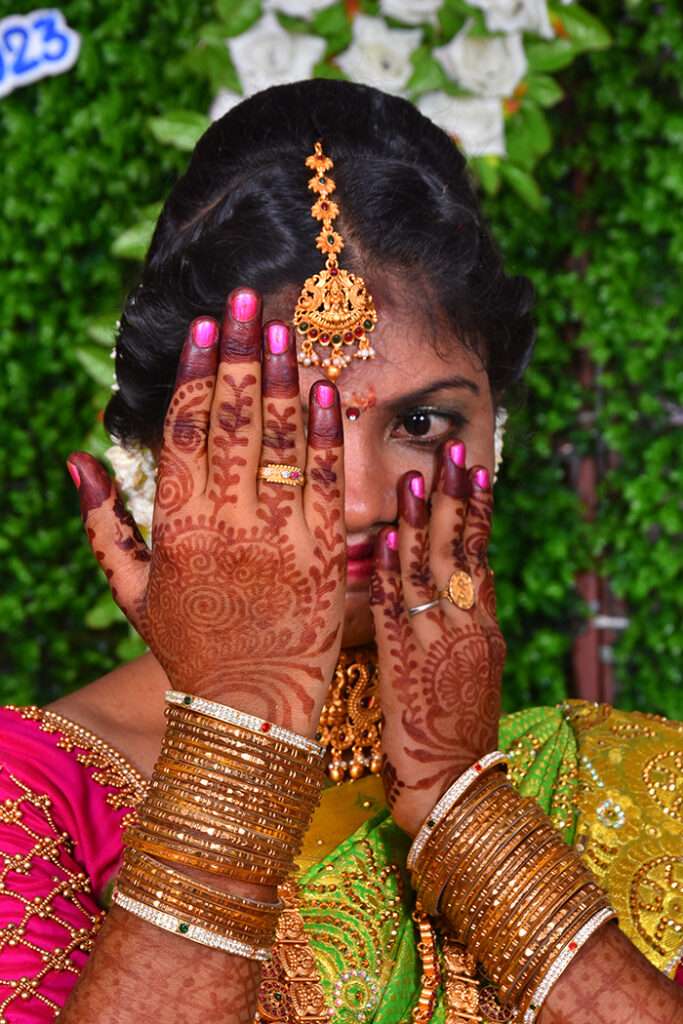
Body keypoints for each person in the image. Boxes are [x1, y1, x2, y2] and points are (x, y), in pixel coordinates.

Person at [0, 79, 681, 1024]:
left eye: (422, 423)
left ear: (496, 432)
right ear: (163, 447)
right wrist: (239, 732)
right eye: (283, 427)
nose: (359, 500)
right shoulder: (36, 797)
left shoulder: (624, 781)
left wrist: (469, 816)